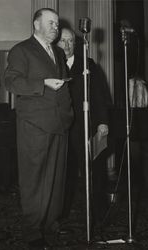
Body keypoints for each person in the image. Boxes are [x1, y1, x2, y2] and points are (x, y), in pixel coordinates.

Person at [4, 8, 73, 249]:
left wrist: (69, 114)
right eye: (50, 23)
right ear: (36, 24)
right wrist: (41, 84)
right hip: (34, 124)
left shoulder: (57, 52)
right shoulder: (21, 50)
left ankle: (51, 227)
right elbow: (11, 81)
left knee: (56, 180)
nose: (56, 27)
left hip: (60, 123)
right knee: (35, 180)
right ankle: (33, 232)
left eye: (57, 23)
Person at [57, 28, 112, 230]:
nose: (67, 45)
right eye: (63, 41)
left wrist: (103, 122)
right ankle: (59, 214)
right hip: (61, 129)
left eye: (71, 41)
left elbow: (99, 95)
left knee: (95, 172)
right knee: (63, 173)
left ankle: (98, 214)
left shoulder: (88, 64)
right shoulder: (51, 64)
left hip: (86, 127)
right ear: (57, 43)